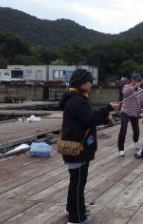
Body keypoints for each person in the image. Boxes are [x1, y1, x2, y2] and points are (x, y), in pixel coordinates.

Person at [59, 69, 119, 224]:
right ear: (82, 83)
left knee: (76, 182)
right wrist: (108, 109)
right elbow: (90, 119)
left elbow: (87, 118)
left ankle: (73, 208)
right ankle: (76, 219)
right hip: (77, 149)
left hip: (75, 147)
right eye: (89, 81)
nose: (91, 84)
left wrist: (105, 113)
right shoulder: (77, 100)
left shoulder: (75, 98)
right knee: (77, 184)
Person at [117, 73, 143, 157]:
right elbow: (125, 93)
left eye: (140, 81)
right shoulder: (127, 87)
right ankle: (121, 149)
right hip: (125, 111)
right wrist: (134, 87)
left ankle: (135, 142)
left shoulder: (140, 90)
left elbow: (141, 101)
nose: (139, 82)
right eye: (137, 81)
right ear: (133, 80)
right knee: (123, 129)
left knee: (136, 130)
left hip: (135, 112)